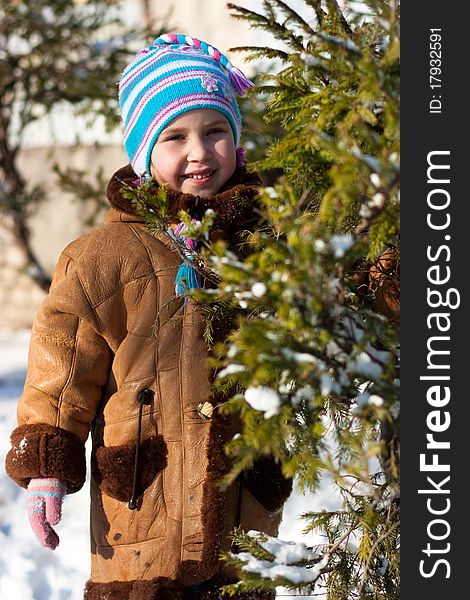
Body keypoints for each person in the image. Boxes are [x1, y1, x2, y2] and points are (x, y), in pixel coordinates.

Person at [5, 33, 292, 599]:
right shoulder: (103, 259)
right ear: (141, 151)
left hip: (245, 509)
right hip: (142, 510)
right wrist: (47, 466)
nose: (200, 152)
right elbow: (62, 372)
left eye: (216, 132)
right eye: (175, 136)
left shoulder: (270, 242)